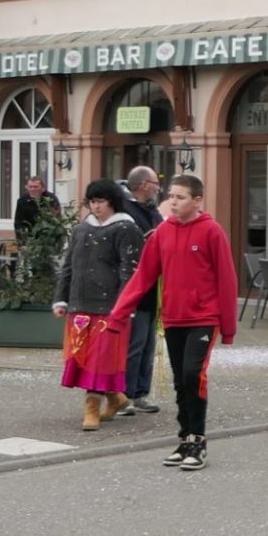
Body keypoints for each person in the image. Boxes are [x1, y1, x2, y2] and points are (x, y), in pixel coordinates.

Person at [106, 173, 239, 472]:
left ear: (197, 200)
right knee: (181, 380)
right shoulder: (162, 233)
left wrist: (228, 327)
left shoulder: (212, 232)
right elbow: (143, 277)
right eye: (171, 196)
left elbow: (227, 280)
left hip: (204, 317)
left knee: (193, 374)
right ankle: (184, 438)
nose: (173, 202)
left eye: (180, 197)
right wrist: (118, 314)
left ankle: (198, 440)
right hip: (174, 317)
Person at [52, 180, 143, 431]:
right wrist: (61, 299)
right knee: (81, 358)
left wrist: (124, 306)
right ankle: (116, 398)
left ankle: (91, 409)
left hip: (109, 307)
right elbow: (68, 266)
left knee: (100, 360)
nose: (96, 206)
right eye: (92, 202)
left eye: (101, 201)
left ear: (112, 202)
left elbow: (130, 272)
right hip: (80, 304)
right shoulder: (81, 229)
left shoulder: (126, 229)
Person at [118, 167, 163, 415]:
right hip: (135, 287)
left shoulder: (152, 209)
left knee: (147, 345)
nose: (158, 187)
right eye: (156, 182)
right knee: (134, 344)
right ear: (144, 185)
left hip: (153, 286)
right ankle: (124, 395)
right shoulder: (126, 211)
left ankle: (140, 392)